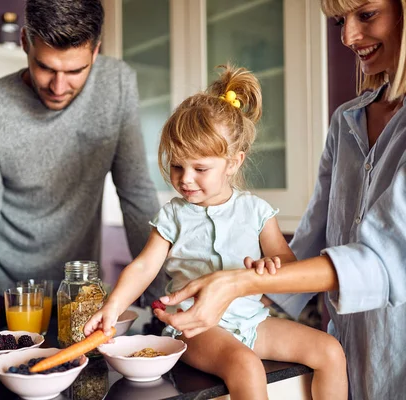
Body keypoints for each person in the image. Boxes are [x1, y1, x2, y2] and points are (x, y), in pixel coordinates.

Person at [153, 0, 406, 399]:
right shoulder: (346, 121)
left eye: (367, 14)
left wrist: (239, 283)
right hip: (347, 341)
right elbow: (309, 239)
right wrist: (241, 294)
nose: (347, 36)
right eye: (341, 20)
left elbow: (385, 259)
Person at [84, 65, 348, 400]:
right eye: (177, 166)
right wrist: (113, 306)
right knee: (246, 365)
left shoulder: (257, 212)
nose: (185, 179)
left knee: (330, 350)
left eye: (200, 168)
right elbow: (143, 267)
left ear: (234, 162)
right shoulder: (172, 215)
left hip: (254, 324)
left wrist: (271, 267)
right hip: (198, 329)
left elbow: (285, 261)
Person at [0, 0, 163, 327]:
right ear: (25, 42)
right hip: (6, 298)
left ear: (95, 52)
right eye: (46, 67)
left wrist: (161, 292)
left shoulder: (117, 85)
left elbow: (136, 194)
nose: (58, 86)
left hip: (80, 295)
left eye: (75, 71)